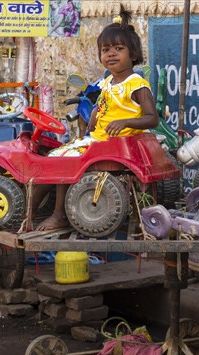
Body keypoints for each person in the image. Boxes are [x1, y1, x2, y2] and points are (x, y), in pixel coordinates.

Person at [32, 5, 158, 231]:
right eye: (105, 49)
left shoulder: (137, 84)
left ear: (134, 54)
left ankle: (59, 215)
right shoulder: (108, 83)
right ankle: (28, 212)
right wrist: (93, 116)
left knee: (63, 161)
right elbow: (102, 107)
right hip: (99, 140)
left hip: (118, 146)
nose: (111, 54)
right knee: (51, 158)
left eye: (118, 48)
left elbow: (152, 119)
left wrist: (125, 122)